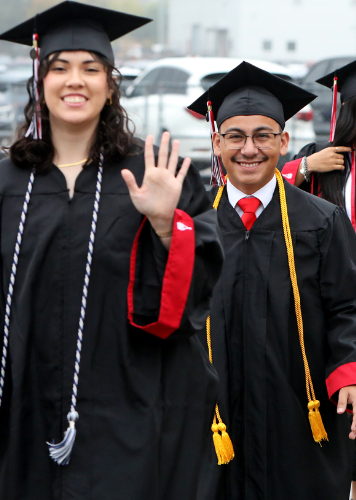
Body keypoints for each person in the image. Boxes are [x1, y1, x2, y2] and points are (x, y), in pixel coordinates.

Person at [0, 3, 223, 498]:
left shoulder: (153, 172)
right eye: (59, 68)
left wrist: (166, 225)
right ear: (40, 82)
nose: (74, 81)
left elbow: (199, 294)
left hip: (130, 408)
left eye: (90, 68)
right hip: (25, 406)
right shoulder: (8, 181)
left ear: (109, 84)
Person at [188, 62, 356, 499]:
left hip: (299, 420)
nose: (249, 149)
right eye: (235, 136)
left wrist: (354, 374)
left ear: (284, 142)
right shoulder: (194, 224)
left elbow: (355, 306)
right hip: (211, 420)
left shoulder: (320, 221)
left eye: (263, 136)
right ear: (217, 143)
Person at [280, 52, 356, 247]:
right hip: (331, 263)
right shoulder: (319, 156)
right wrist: (307, 165)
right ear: (348, 108)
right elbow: (276, 195)